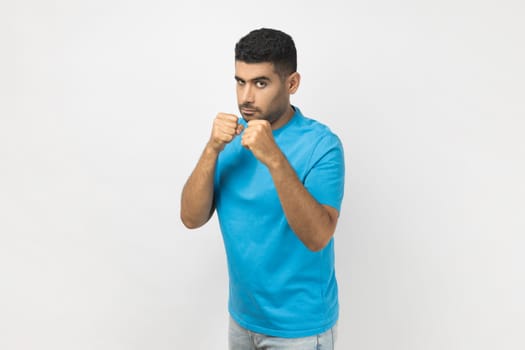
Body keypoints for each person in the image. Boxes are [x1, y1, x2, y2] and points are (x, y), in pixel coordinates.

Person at [180, 28, 345, 349]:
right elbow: (190, 218)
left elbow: (318, 236)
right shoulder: (229, 139)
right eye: (240, 82)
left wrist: (274, 159)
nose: (246, 98)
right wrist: (212, 148)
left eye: (260, 83)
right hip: (242, 319)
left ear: (292, 83)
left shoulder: (322, 145)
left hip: (299, 328)